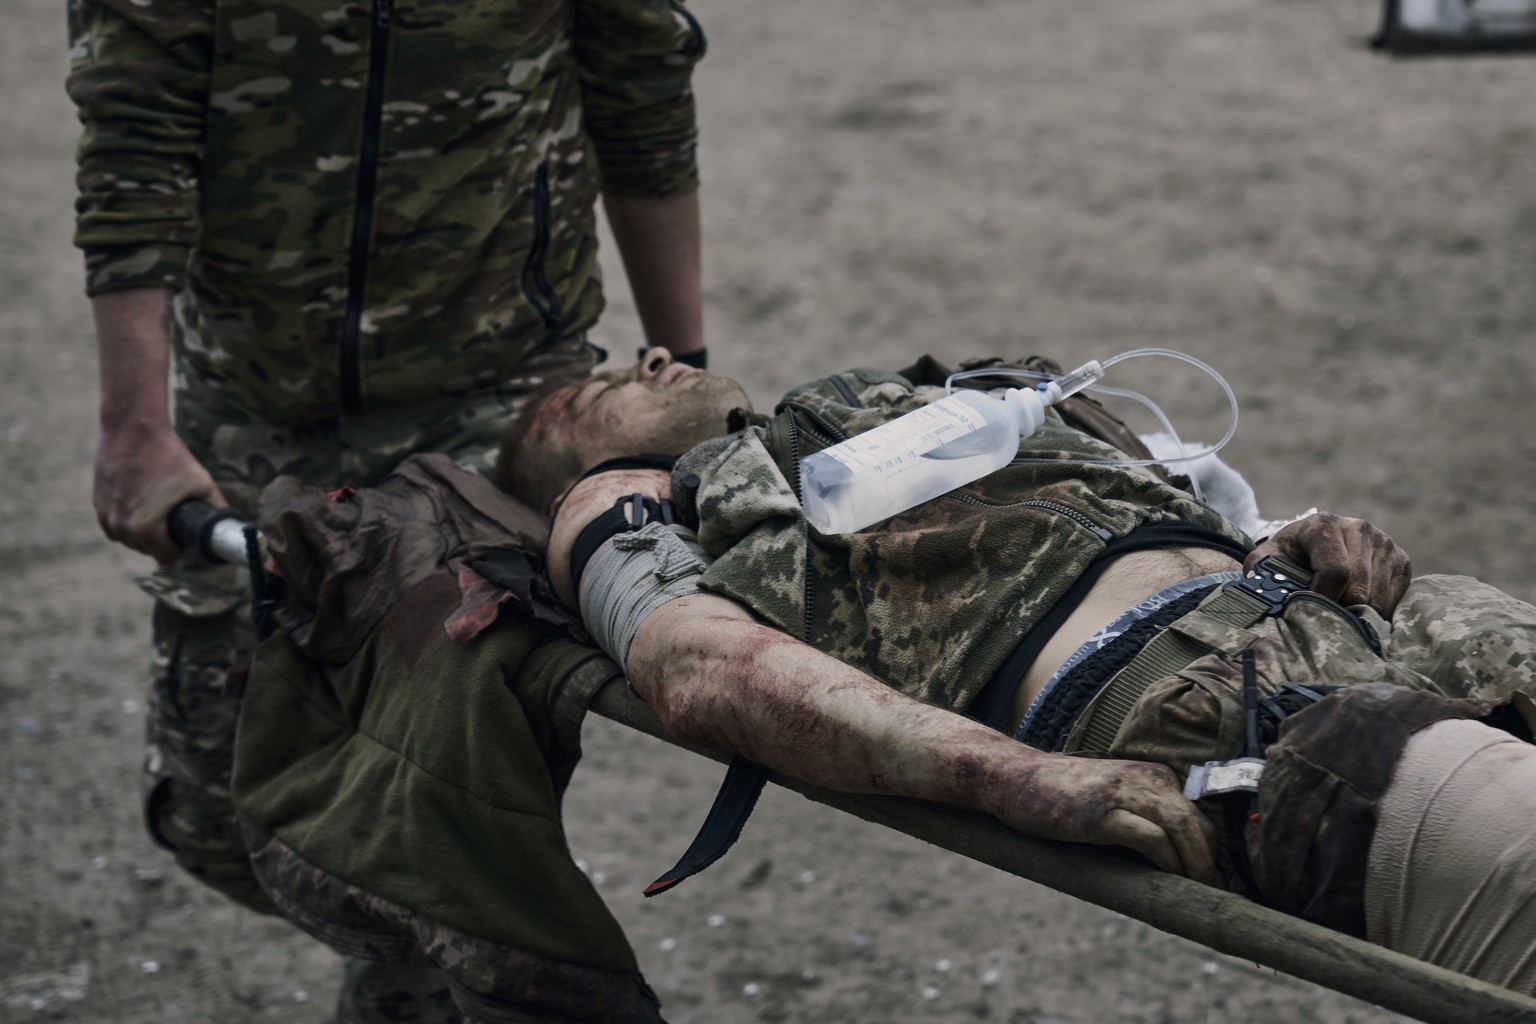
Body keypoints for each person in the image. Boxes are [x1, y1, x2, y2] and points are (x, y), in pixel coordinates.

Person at [505, 347, 1536, 992]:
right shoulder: (622, 508)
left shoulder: (915, 396)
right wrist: (1011, 775)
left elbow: (1199, 505)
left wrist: (1307, 535)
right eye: (590, 390)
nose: (641, 357)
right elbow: (702, 670)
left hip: (1380, 632)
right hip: (1243, 725)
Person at [66, 0, 707, 1017]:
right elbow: (135, 115)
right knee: (214, 808)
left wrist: (691, 371)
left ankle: (426, 967)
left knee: (442, 802)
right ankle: (414, 934)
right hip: (255, 400)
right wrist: (134, 424)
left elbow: (640, 81)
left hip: (495, 392)